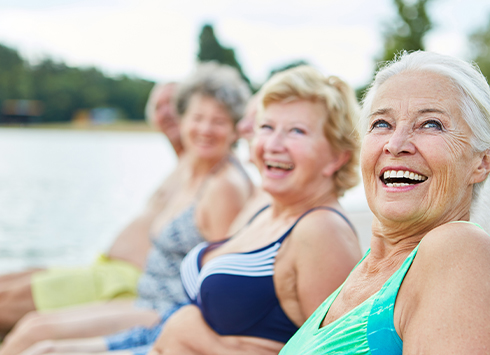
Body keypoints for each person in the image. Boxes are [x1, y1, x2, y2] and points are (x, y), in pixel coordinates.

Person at [21, 65, 365, 355]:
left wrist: (196, 339)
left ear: (337, 156)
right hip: (153, 340)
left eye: (297, 131)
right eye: (266, 127)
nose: (273, 145)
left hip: (173, 340)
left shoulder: (322, 232)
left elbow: (333, 350)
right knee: (43, 349)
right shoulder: (271, 209)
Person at [0, 62, 253, 355]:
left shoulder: (225, 187)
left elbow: (220, 287)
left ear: (235, 129)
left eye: (219, 121)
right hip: (144, 299)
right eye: (198, 118)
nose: (206, 129)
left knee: (36, 332)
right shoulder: (194, 169)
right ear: (182, 120)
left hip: (167, 311)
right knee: (32, 323)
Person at [280, 51, 490, 354]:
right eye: (381, 124)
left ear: (482, 162)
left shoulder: (460, 249)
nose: (395, 144)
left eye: (431, 124)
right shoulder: (362, 275)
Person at [0, 81, 182, 334]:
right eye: (159, 106)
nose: (166, 113)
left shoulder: (210, 171)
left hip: (122, 282)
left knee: (4, 301)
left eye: (174, 104)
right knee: (8, 281)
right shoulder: (181, 167)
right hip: (103, 269)